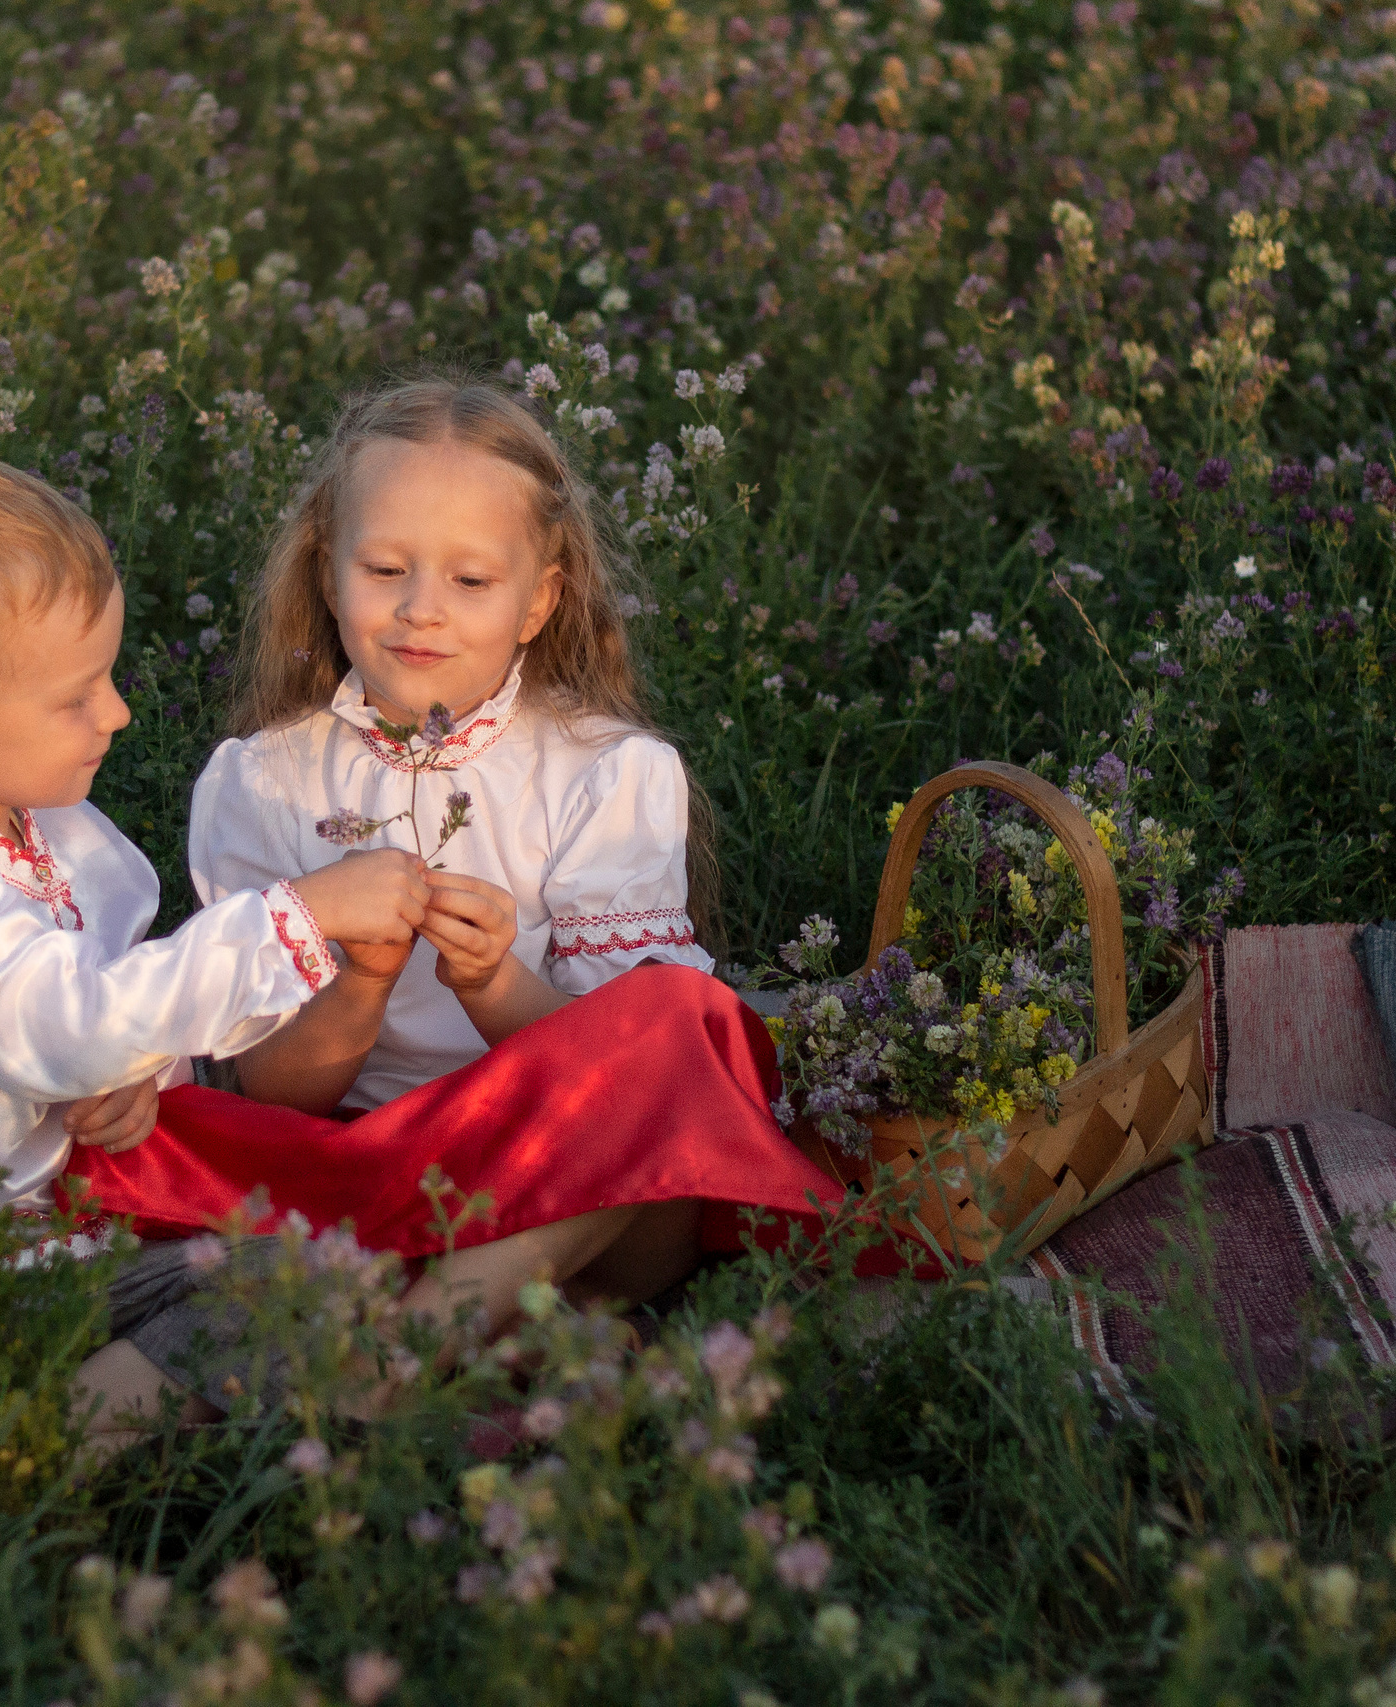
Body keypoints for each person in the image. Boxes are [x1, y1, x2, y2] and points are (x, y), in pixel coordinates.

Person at [66, 379, 847, 1421]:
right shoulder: (267, 780)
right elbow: (274, 1091)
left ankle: (400, 1346)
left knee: (688, 1026)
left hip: (577, 1188)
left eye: (471, 580)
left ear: (538, 601)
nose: (420, 606)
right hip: (358, 1167)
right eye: (384, 569)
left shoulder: (605, 771)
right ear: (328, 575)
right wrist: (359, 984)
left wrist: (492, 983)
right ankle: (497, 1330)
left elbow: (633, 1073)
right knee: (111, 1113)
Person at [0, 443, 431, 1434]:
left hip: (19, 1255)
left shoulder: (35, 820)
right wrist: (305, 915)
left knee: (290, 1270)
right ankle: (36, 1456)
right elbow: (71, 1018)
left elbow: (85, 1011)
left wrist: (131, 1077)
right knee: (265, 1303)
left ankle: (55, 1431)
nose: (115, 712)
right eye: (75, 696)